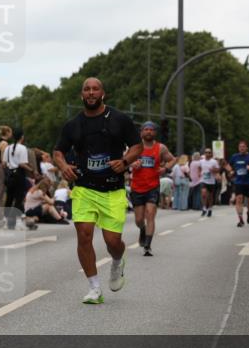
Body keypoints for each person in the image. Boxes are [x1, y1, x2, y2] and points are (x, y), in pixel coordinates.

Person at [53, 78, 142, 305]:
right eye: (86, 89)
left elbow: (137, 146)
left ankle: (117, 261)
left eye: (95, 89)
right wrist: (64, 167)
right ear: (81, 95)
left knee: (113, 242)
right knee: (84, 236)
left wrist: (125, 161)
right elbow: (58, 152)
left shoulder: (119, 120)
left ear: (103, 93)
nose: (91, 93)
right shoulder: (73, 125)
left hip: (112, 189)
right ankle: (94, 288)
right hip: (84, 188)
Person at [128, 121, 176, 256]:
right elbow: (123, 162)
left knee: (150, 214)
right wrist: (132, 164)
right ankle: (142, 229)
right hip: (137, 187)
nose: (148, 132)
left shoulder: (160, 148)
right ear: (141, 132)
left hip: (153, 186)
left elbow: (173, 159)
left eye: (151, 130)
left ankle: (147, 245)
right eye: (146, 129)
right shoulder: (135, 147)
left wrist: (165, 168)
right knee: (138, 219)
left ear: (155, 132)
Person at [224, 140, 249, 227]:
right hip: (239, 182)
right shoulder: (235, 157)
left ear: (246, 148)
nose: (241, 148)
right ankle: (240, 219)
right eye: (240, 147)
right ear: (238, 148)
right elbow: (227, 165)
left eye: (243, 146)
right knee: (239, 199)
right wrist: (230, 171)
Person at [2, 130, 33, 230]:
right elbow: (22, 164)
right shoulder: (22, 148)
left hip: (9, 175)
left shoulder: (7, 148)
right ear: (22, 137)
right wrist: (32, 170)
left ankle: (6, 222)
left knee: (9, 199)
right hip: (19, 175)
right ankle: (18, 222)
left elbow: (4, 163)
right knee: (19, 198)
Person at [0, 126, 13, 210]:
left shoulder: (0, 142)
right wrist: (6, 167)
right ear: (7, 133)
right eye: (10, 132)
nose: (11, 134)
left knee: (0, 187)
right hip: (2, 167)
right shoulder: (4, 143)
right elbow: (3, 157)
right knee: (0, 188)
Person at [197, 148, 220, 217]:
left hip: (211, 181)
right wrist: (199, 173)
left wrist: (213, 170)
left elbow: (218, 170)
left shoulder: (214, 162)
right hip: (203, 180)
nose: (208, 154)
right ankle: (204, 208)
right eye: (206, 152)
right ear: (204, 153)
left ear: (211, 154)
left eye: (209, 152)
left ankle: (210, 209)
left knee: (210, 197)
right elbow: (199, 168)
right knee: (203, 194)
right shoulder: (201, 161)